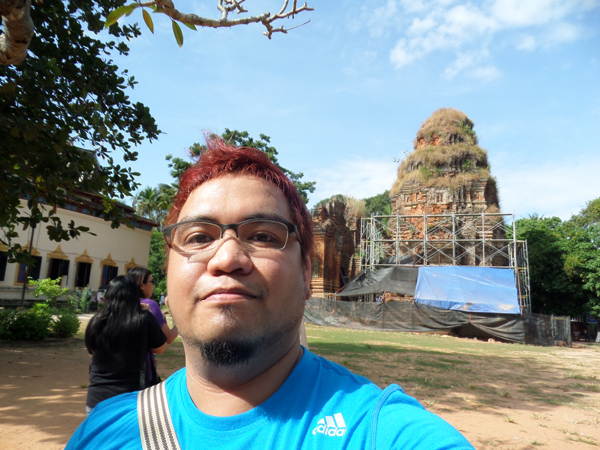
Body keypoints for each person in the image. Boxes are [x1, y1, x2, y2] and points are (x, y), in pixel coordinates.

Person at [67, 138, 474, 449]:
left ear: (306, 269)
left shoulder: (376, 429)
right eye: (198, 236)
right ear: (167, 272)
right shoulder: (105, 432)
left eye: (263, 235)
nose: (227, 258)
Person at [83, 276, 167, 414]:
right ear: (134, 295)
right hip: (131, 399)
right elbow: (160, 348)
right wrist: (150, 314)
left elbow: (92, 353)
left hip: (97, 400)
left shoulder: (96, 321)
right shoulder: (143, 318)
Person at [128, 267, 178, 386]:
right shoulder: (150, 305)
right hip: (143, 371)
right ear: (141, 285)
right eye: (152, 281)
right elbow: (169, 338)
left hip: (122, 370)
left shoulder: (125, 303)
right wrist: (179, 317)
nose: (154, 285)